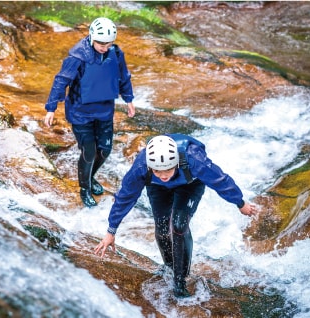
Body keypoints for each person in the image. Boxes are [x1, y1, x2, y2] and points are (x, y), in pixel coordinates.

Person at [94, 134, 257, 298]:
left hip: (189, 185)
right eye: (158, 171)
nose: (164, 175)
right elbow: (125, 197)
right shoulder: (141, 167)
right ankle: (170, 268)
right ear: (151, 167)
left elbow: (220, 181)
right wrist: (111, 231)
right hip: (157, 188)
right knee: (162, 228)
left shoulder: (194, 159)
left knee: (178, 224)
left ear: (177, 163)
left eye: (168, 170)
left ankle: (180, 281)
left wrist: (240, 203)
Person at [44, 17, 135, 207]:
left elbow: (123, 76)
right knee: (89, 151)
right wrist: (51, 108)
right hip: (80, 112)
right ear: (92, 37)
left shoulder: (116, 53)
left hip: (104, 109)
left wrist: (128, 99)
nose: (104, 47)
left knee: (105, 149)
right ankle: (84, 188)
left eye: (107, 43)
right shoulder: (78, 57)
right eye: (100, 43)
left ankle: (90, 177)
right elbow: (61, 81)